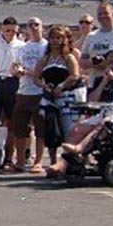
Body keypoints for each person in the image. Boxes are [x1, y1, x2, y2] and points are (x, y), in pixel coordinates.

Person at [44, 47, 113, 177]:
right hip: (105, 111)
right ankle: (62, 165)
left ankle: (80, 148)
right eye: (110, 57)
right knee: (77, 129)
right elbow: (93, 100)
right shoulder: (101, 78)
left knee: (104, 123)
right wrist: (105, 80)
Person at [34, 25, 79, 165]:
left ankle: (68, 162)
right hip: (50, 99)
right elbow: (36, 78)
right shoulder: (44, 59)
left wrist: (62, 85)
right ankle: (53, 162)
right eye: (53, 37)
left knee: (69, 131)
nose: (55, 41)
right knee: (52, 131)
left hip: (67, 99)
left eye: (59, 38)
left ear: (64, 39)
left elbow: (75, 76)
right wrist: (44, 86)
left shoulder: (69, 58)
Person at [8, 17, 48, 173]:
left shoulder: (46, 47)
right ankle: (19, 161)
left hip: (39, 92)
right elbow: (13, 66)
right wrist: (16, 71)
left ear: (42, 27)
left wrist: (29, 73)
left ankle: (38, 161)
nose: (33, 27)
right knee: (20, 129)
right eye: (30, 25)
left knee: (40, 129)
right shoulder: (23, 47)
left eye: (36, 24)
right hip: (23, 91)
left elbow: (46, 71)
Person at [0, 17, 23, 170]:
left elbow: (22, 65)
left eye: (13, 31)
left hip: (13, 82)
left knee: (12, 122)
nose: (10, 33)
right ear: (2, 30)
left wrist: (20, 70)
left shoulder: (21, 46)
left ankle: (9, 159)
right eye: (7, 30)